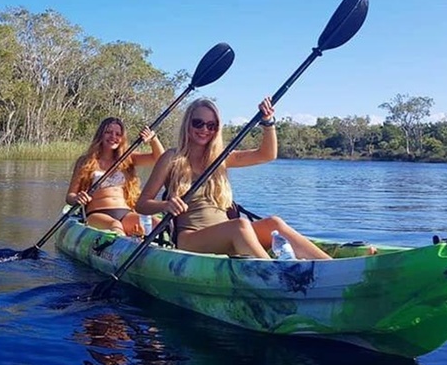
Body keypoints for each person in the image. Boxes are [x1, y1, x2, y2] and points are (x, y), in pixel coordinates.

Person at [135, 97, 331, 260]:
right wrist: (165, 205)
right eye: (198, 123)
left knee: (274, 223)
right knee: (240, 225)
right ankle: (277, 275)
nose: (205, 129)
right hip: (191, 238)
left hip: (228, 233)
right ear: (188, 124)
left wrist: (268, 122)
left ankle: (330, 267)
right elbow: (142, 204)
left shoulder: (221, 157)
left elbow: (267, 154)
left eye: (211, 125)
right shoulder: (171, 158)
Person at [65, 117, 165, 236]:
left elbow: (161, 159)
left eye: (118, 134)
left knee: (156, 223)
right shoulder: (85, 162)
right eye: (108, 132)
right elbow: (70, 196)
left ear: (122, 139)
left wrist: (153, 139)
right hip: (97, 213)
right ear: (100, 135)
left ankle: (137, 239)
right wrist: (77, 198)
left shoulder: (127, 159)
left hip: (126, 213)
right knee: (115, 226)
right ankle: (124, 243)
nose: (113, 137)